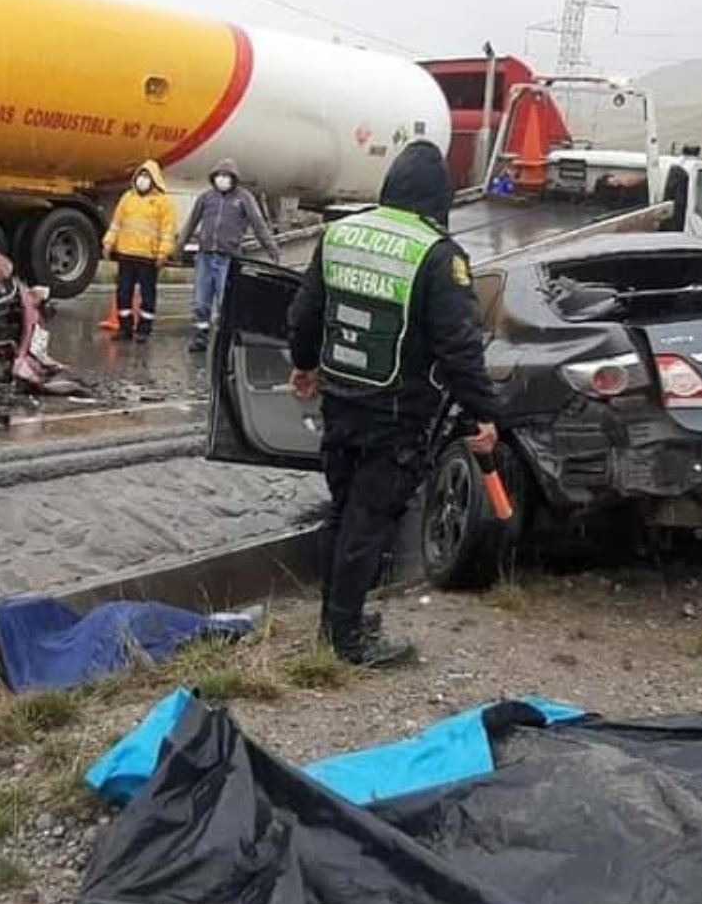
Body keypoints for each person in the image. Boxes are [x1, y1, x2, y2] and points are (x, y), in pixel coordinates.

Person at [287, 140, 500, 666]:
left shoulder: (339, 234)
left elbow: (306, 312)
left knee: (344, 511)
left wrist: (304, 362)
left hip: (340, 399)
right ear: (439, 196)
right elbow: (459, 347)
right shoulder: (439, 255)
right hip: (397, 411)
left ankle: (337, 621)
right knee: (369, 521)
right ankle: (347, 640)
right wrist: (483, 414)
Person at [177, 158, 281, 353]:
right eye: (219, 175)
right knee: (200, 301)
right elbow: (191, 222)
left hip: (228, 258)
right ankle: (200, 336)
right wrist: (179, 246)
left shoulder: (244, 198)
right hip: (205, 256)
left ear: (234, 178)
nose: (222, 179)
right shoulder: (206, 198)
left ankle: (225, 340)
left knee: (225, 302)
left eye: (226, 176)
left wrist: (271, 249)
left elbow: (258, 224)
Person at [102, 160, 177, 342]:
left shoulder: (163, 203)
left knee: (148, 295)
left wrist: (163, 253)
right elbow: (116, 224)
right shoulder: (127, 198)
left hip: (148, 258)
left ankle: (144, 329)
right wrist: (108, 243)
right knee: (123, 293)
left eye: (146, 176)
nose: (142, 180)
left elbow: (168, 231)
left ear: (154, 180)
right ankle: (125, 327)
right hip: (126, 254)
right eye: (140, 176)